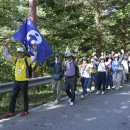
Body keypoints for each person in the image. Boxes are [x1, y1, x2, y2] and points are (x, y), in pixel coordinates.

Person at [3, 42, 37, 118]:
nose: (19, 54)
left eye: (20, 52)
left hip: (24, 81)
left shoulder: (26, 60)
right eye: (18, 52)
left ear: (23, 53)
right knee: (13, 96)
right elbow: (6, 55)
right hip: (16, 81)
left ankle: (25, 110)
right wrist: (5, 47)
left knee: (25, 96)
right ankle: (11, 111)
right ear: (17, 53)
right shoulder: (15, 60)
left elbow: (34, 58)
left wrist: (35, 50)